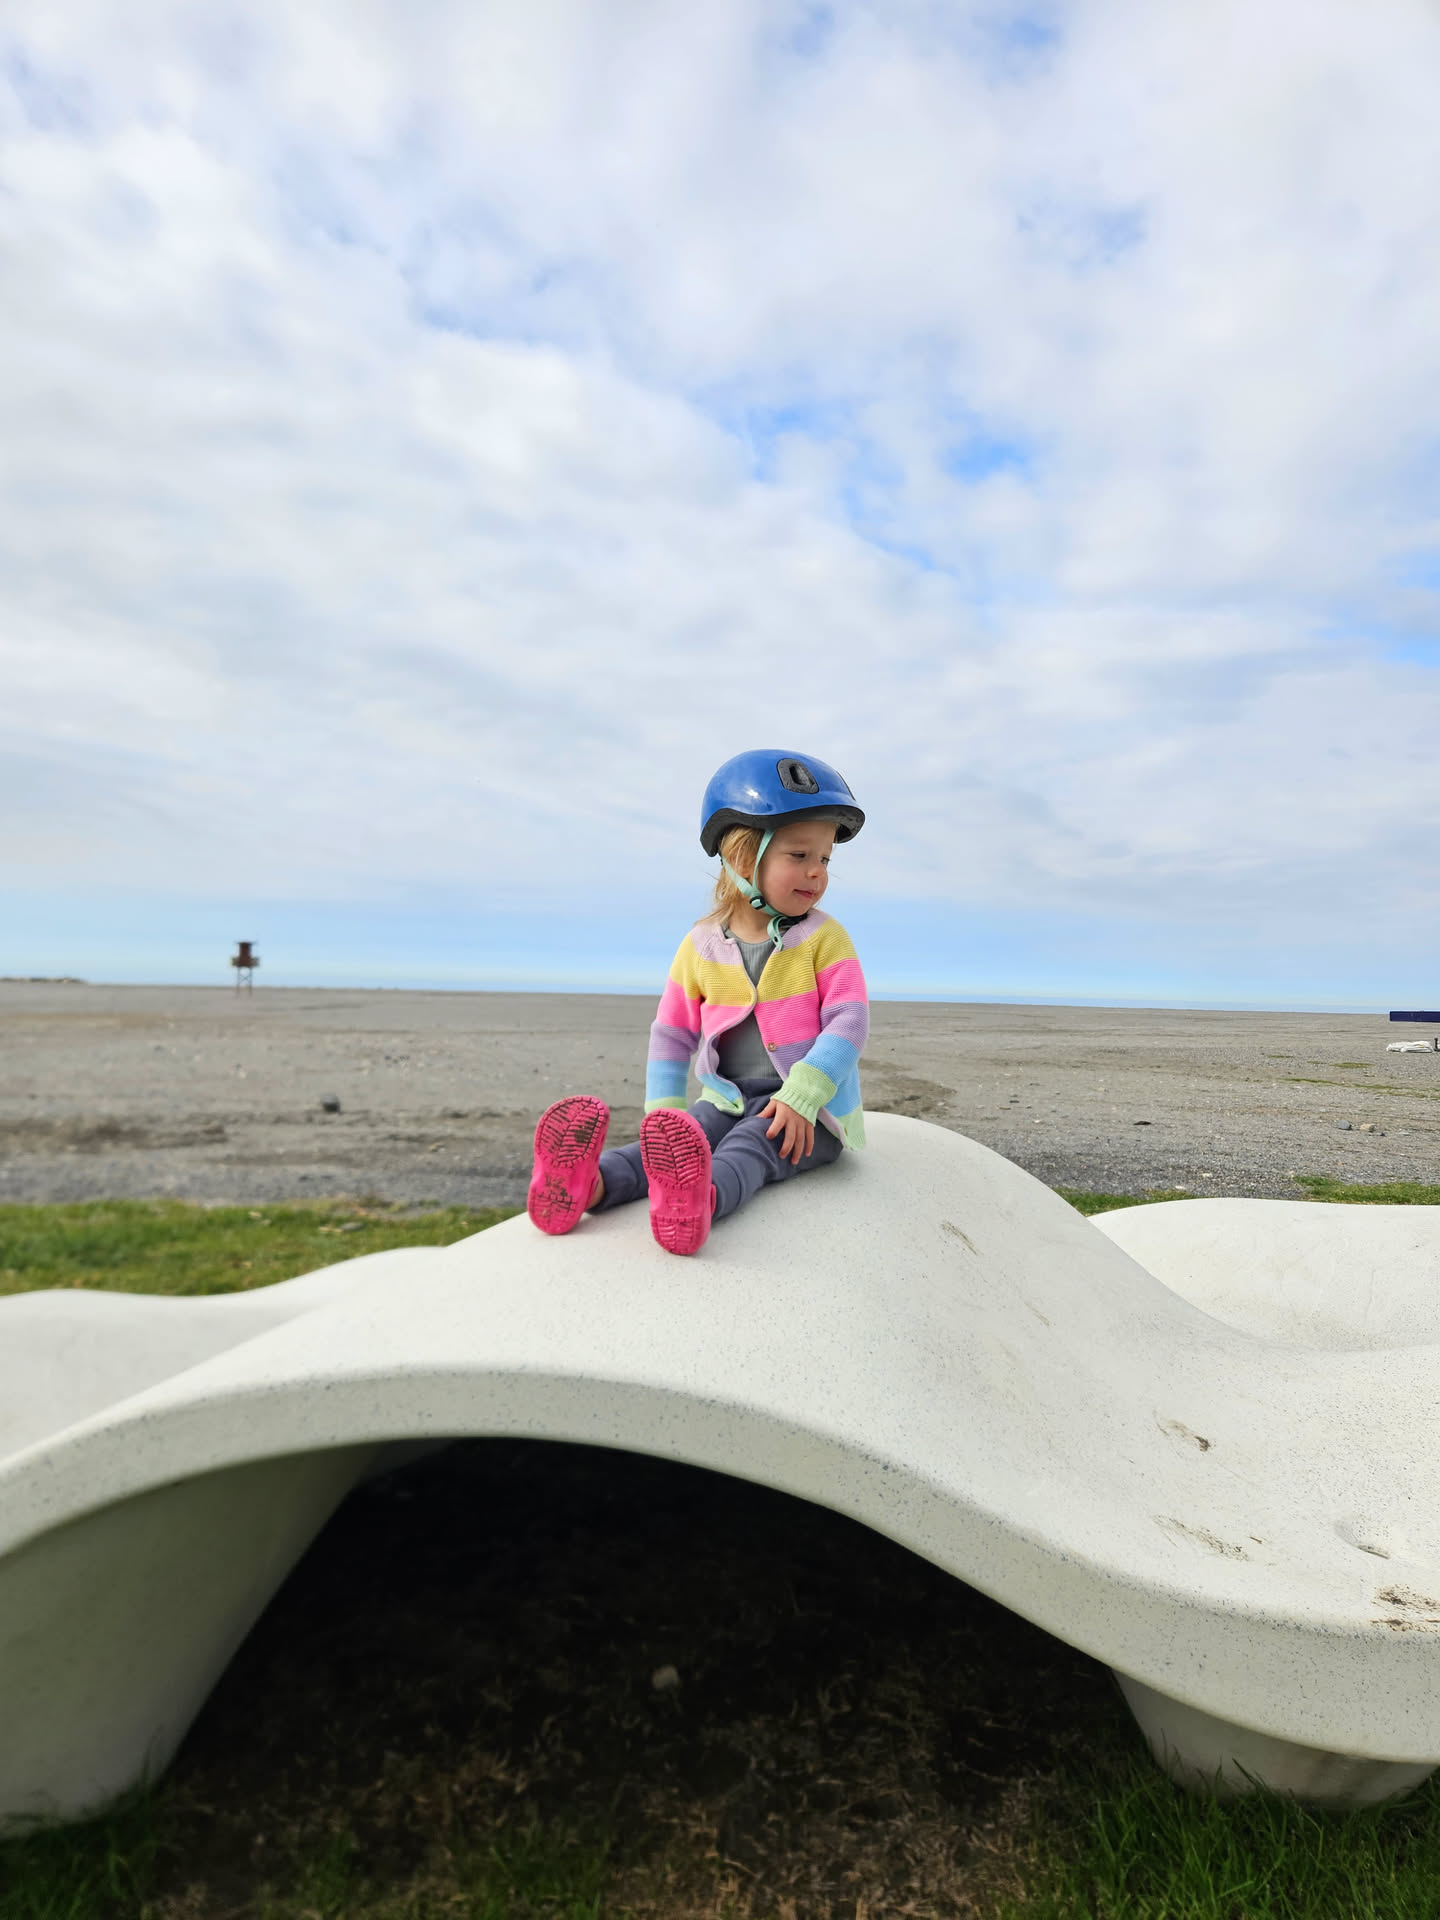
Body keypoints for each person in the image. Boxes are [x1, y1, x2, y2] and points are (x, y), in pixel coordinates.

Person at [526, 750, 870, 1256]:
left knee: (750, 1147)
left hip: (809, 1114)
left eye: (824, 859)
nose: (817, 873)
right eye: (799, 855)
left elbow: (849, 1021)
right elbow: (672, 1035)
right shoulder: (701, 945)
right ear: (741, 858)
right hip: (727, 1099)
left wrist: (803, 1096)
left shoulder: (825, 938)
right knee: (680, 1141)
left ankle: (699, 1202)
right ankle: (590, 1185)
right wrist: (663, 1119)